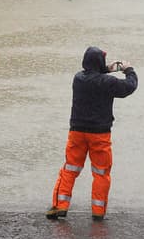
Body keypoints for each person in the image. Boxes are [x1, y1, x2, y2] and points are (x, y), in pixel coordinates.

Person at [46, 46, 138, 221]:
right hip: (100, 134)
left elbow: (92, 74)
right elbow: (129, 87)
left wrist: (106, 68)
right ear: (99, 63)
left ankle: (59, 206)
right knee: (101, 173)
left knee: (70, 169)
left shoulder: (78, 79)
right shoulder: (107, 82)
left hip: (77, 132)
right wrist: (128, 70)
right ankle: (98, 211)